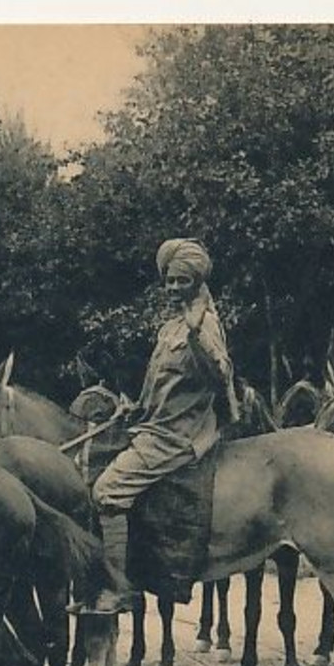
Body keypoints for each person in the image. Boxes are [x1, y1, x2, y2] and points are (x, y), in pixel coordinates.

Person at [89, 238, 240, 614]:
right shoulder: (170, 326)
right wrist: (134, 406)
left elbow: (219, 375)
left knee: (107, 490)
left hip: (178, 434)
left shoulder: (202, 324)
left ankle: (118, 588)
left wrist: (196, 335)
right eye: (169, 281)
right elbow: (160, 383)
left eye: (182, 281)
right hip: (155, 424)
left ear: (197, 282)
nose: (173, 288)